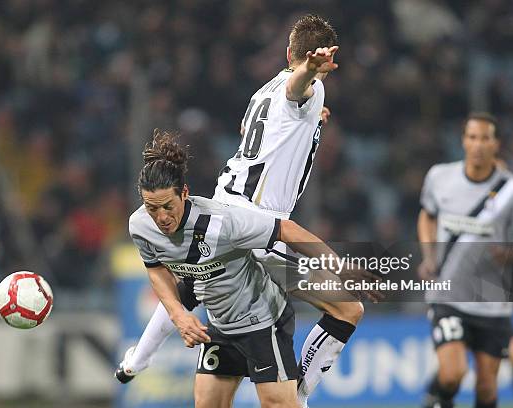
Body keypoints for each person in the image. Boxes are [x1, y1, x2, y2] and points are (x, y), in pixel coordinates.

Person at [118, 15, 369, 406]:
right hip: (256, 224)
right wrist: (308, 73)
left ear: (286, 51)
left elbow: (264, 131)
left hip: (223, 204)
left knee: (193, 283)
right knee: (348, 308)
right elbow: (296, 88)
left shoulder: (260, 95)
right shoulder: (307, 87)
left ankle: (138, 358)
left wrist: (310, 123)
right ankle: (297, 393)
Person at [128, 132, 374, 408]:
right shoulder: (140, 225)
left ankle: (299, 390)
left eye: (167, 206)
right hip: (220, 326)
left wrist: (337, 266)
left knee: (283, 401)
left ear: (184, 193)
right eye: (151, 208)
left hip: (262, 321)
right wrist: (179, 316)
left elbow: (285, 230)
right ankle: (136, 361)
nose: (161, 217)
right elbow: (155, 268)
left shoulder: (223, 222)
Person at [417, 112, 513, 408]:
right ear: (463, 141)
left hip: (492, 302)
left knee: (486, 389)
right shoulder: (439, 177)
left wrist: (509, 251)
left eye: (485, 138)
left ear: (496, 144)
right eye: (472, 137)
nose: (478, 144)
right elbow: (427, 215)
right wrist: (429, 254)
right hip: (448, 294)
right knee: (452, 374)